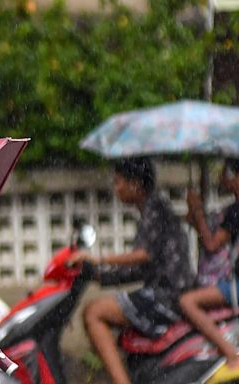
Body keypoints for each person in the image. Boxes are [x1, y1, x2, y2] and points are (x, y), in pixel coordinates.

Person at [73, 157, 195, 384]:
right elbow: (143, 267)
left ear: (135, 184)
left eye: (119, 182)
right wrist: (100, 275)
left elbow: (143, 255)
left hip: (167, 295)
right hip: (166, 290)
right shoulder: (153, 209)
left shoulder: (154, 208)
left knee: (93, 312)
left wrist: (96, 258)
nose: (116, 187)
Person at [179, 158, 239, 384]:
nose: (222, 178)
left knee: (187, 302)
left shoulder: (236, 210)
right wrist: (197, 216)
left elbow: (212, 244)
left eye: (227, 173)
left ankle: (231, 354)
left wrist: (197, 211)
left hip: (236, 285)